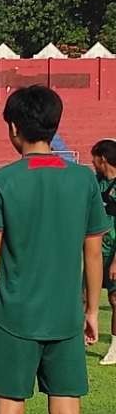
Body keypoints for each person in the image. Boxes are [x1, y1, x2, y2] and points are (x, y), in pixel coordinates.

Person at [0, 85, 107, 414]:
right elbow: (94, 253)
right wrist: (92, 311)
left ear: (14, 128)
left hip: (15, 315)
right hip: (65, 314)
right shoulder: (84, 179)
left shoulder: (1, 181)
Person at [90, 139, 116, 365]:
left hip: (114, 251)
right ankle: (77, 338)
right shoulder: (95, 182)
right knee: (81, 295)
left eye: (94, 158)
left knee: (115, 299)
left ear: (103, 159)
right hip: (97, 249)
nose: (92, 162)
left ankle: (115, 348)